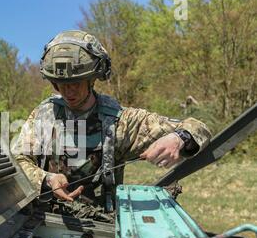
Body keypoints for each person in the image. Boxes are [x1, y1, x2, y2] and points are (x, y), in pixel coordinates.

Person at [12, 30, 211, 221]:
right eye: (60, 84)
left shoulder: (121, 121)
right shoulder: (44, 115)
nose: (68, 91)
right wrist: (46, 178)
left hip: (100, 228)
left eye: (76, 82)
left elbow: (198, 128)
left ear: (91, 79)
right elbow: (17, 161)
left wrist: (179, 138)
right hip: (44, 222)